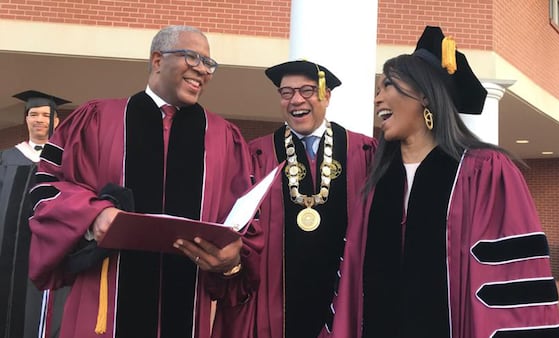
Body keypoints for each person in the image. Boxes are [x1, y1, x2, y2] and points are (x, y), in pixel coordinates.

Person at [27, 25, 262, 338]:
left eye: (209, 64)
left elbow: (247, 221)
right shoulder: (97, 120)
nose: (202, 70)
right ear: (156, 60)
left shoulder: (224, 138)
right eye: (193, 58)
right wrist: (92, 214)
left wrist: (232, 258)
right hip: (106, 308)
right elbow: (47, 185)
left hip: (189, 308)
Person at [355, 26, 559, 337]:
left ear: (425, 94)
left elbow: (512, 281)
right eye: (377, 90)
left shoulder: (486, 172)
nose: (378, 99)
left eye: (387, 85)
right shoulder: (378, 177)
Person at [212, 60, 377, 338]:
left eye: (307, 90)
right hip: (275, 298)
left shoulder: (363, 151)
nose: (296, 100)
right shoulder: (256, 155)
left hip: (344, 292)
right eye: (286, 93)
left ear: (326, 95)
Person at [0, 90, 69, 338]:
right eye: (33, 114)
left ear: (56, 122)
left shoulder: (66, 161)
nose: (39, 119)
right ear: (26, 119)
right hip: (8, 246)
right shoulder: (7, 157)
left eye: (45, 115)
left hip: (48, 246)